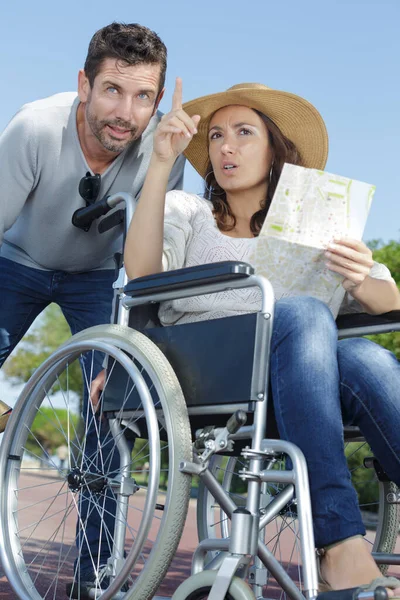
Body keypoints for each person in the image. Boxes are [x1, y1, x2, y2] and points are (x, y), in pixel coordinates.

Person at [123, 78, 400, 596]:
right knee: (302, 312)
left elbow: (391, 304)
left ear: (276, 149)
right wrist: (161, 163)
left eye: (245, 132)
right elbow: (140, 279)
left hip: (300, 391)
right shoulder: (189, 211)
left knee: (367, 358)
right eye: (217, 136)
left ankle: (342, 549)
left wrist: (365, 278)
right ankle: (340, 545)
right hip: (208, 382)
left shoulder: (316, 221)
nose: (226, 146)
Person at [0, 22, 185, 598]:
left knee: (112, 404)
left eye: (143, 96)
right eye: (112, 90)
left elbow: (149, 269)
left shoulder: (164, 151)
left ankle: (92, 578)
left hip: (98, 277)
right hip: (16, 260)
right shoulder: (35, 128)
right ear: (84, 84)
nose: (125, 112)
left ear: (156, 100)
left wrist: (128, 352)